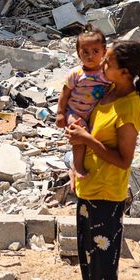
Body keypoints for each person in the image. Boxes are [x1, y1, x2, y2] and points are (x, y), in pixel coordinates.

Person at [65, 40, 140, 280]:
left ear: (124, 72)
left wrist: (86, 140)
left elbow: (124, 160)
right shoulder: (109, 91)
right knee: (89, 251)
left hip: (107, 191)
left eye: (108, 62)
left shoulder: (129, 107)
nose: (101, 64)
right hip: (90, 185)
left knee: (103, 254)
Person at [56, 27, 109, 180]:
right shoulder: (76, 74)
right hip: (75, 112)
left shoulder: (106, 73)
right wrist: (60, 114)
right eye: (85, 52)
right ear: (78, 53)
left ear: (104, 52)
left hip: (94, 114)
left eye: (95, 51)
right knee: (79, 135)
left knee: (97, 136)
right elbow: (64, 94)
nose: (90, 56)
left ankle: (95, 164)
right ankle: (77, 166)